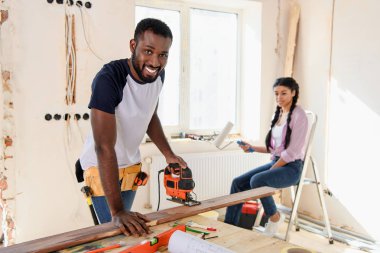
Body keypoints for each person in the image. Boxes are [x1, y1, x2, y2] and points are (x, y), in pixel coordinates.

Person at [78, 18, 187, 237]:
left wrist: (169, 154)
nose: (155, 62)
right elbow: (103, 147)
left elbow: (150, 115)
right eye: (148, 51)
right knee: (116, 234)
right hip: (101, 168)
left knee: (129, 235)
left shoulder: (158, 76)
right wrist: (117, 210)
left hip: (130, 167)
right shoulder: (109, 79)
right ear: (133, 46)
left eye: (163, 55)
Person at [224, 77, 308, 236]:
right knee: (238, 183)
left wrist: (272, 169)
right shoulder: (277, 115)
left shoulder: (299, 115)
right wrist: (252, 148)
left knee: (258, 180)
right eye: (276, 94)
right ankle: (229, 228)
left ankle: (275, 217)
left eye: (284, 93)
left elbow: (292, 152)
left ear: (293, 93)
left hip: (292, 168)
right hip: (278, 163)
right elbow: (273, 149)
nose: (279, 97)